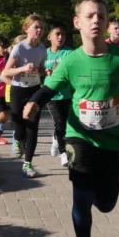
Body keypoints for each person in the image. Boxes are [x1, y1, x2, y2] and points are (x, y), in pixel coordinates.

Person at [25, 0, 119, 237]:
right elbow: (49, 88)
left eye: (101, 16)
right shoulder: (70, 61)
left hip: (113, 141)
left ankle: (94, 194)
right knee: (81, 198)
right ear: (77, 22)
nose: (96, 21)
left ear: (106, 23)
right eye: (90, 16)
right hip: (78, 136)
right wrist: (33, 102)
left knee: (106, 203)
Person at [2, 16, 48, 178]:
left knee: (32, 127)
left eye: (42, 28)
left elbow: (41, 68)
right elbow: (6, 72)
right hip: (18, 90)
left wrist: (44, 71)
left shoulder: (42, 49)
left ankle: (27, 163)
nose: (40, 30)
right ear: (26, 29)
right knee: (19, 126)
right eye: (36, 27)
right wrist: (22, 69)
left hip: (34, 90)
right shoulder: (19, 48)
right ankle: (17, 138)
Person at [44, 23, 74, 166]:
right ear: (49, 37)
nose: (60, 37)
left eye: (63, 35)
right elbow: (38, 70)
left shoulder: (69, 53)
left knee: (65, 124)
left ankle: (56, 139)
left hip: (67, 95)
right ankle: (63, 153)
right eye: (57, 34)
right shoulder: (44, 53)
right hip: (51, 95)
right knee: (60, 123)